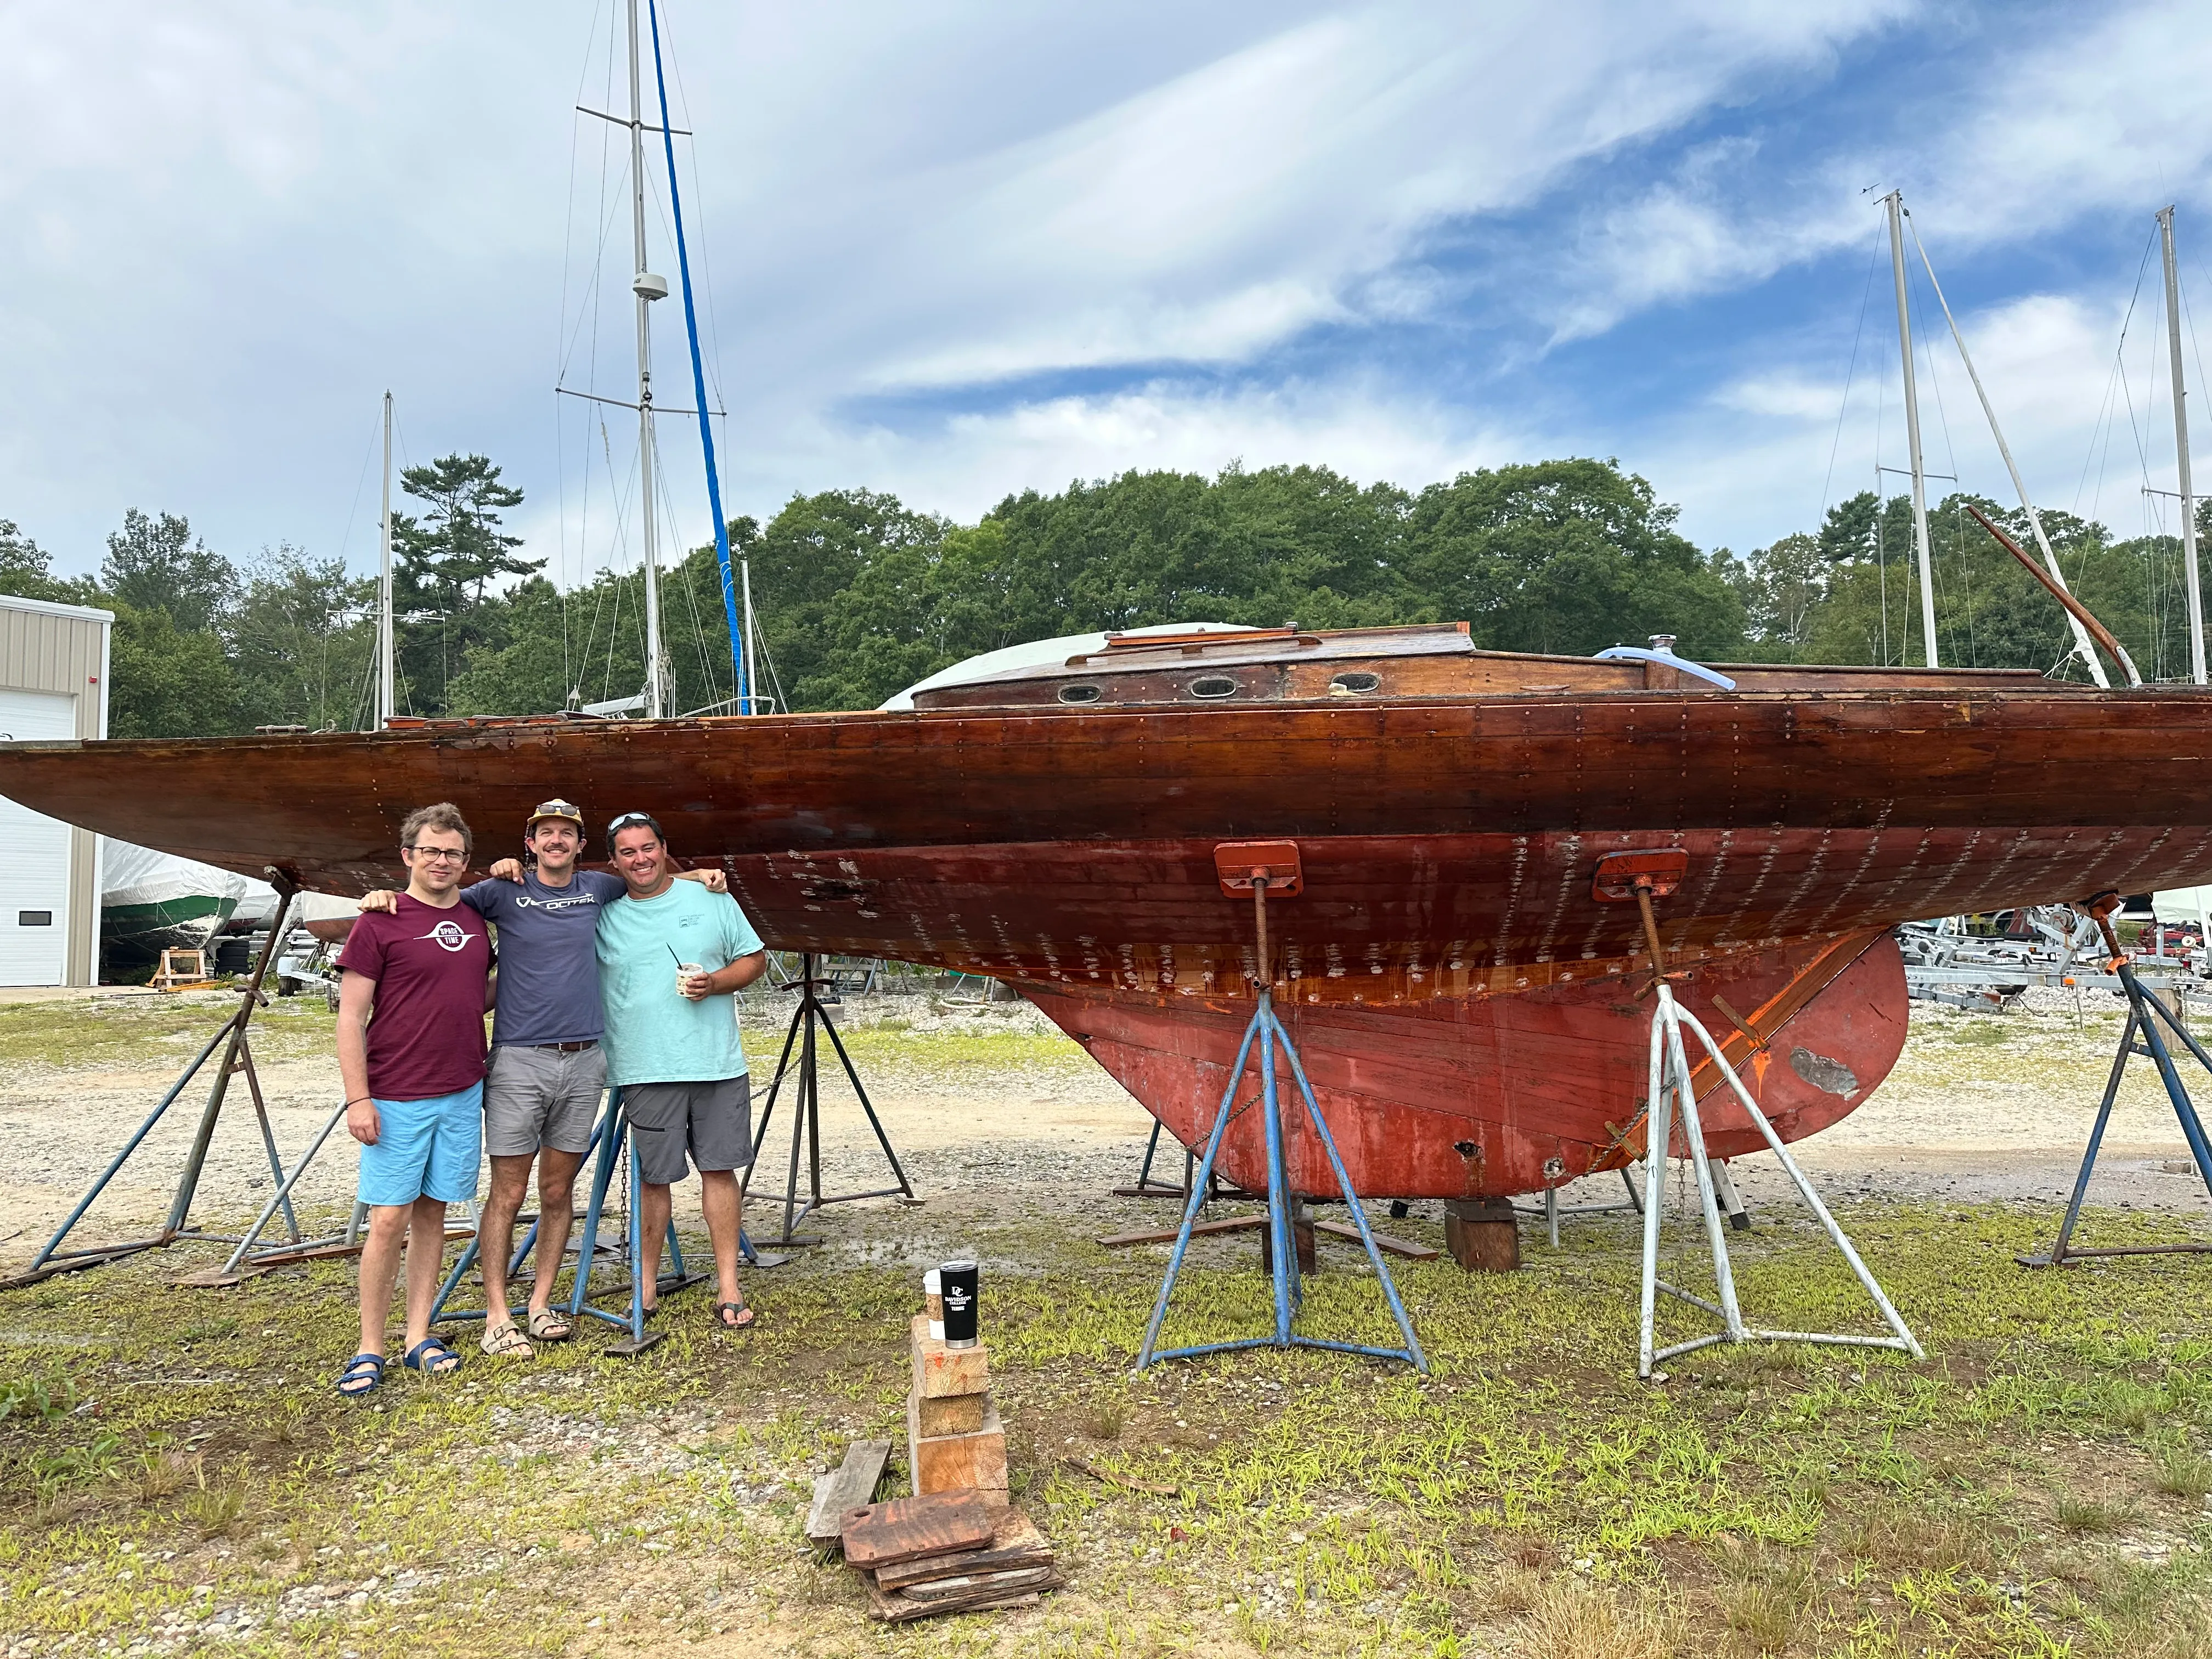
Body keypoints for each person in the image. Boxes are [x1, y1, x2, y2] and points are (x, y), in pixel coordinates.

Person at [356, 798, 726, 1361]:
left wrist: (694, 876)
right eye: (545, 833)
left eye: (567, 834)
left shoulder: (599, 888)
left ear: (581, 846)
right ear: (528, 843)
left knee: (558, 1191)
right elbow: (430, 902)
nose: (556, 841)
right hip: (518, 1061)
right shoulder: (497, 892)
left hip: (584, 1061)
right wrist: (379, 896)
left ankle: (541, 1304)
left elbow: (645, 876)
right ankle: (499, 1314)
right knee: (506, 1192)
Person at [332, 803, 495, 1398]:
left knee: (434, 1215)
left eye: (452, 853)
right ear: (408, 856)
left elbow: (472, 996)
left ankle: (417, 1336)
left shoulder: (477, 921)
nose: (441, 861)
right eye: (430, 850)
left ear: (464, 861)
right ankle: (368, 1346)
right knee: (388, 1220)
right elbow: (351, 1018)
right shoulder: (380, 922)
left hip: (461, 1089)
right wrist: (358, 1099)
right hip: (397, 1093)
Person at [595, 810, 769, 1330]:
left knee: (720, 1170)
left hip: (715, 1062)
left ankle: (729, 1288)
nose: (640, 859)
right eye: (627, 852)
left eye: (648, 848)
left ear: (665, 848)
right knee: (655, 1178)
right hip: (644, 1066)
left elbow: (754, 960)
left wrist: (714, 983)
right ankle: (645, 1288)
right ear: (614, 862)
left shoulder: (712, 898)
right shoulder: (603, 913)